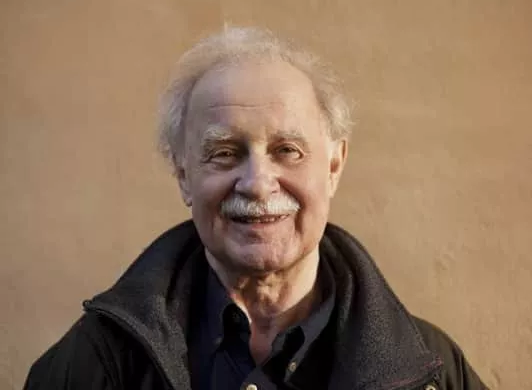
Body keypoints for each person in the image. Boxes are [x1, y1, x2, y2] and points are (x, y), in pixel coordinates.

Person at [23, 27, 488, 390]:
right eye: (224, 153)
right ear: (183, 175)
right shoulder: (95, 363)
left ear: (333, 165)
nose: (258, 182)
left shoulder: (431, 370)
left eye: (287, 150)